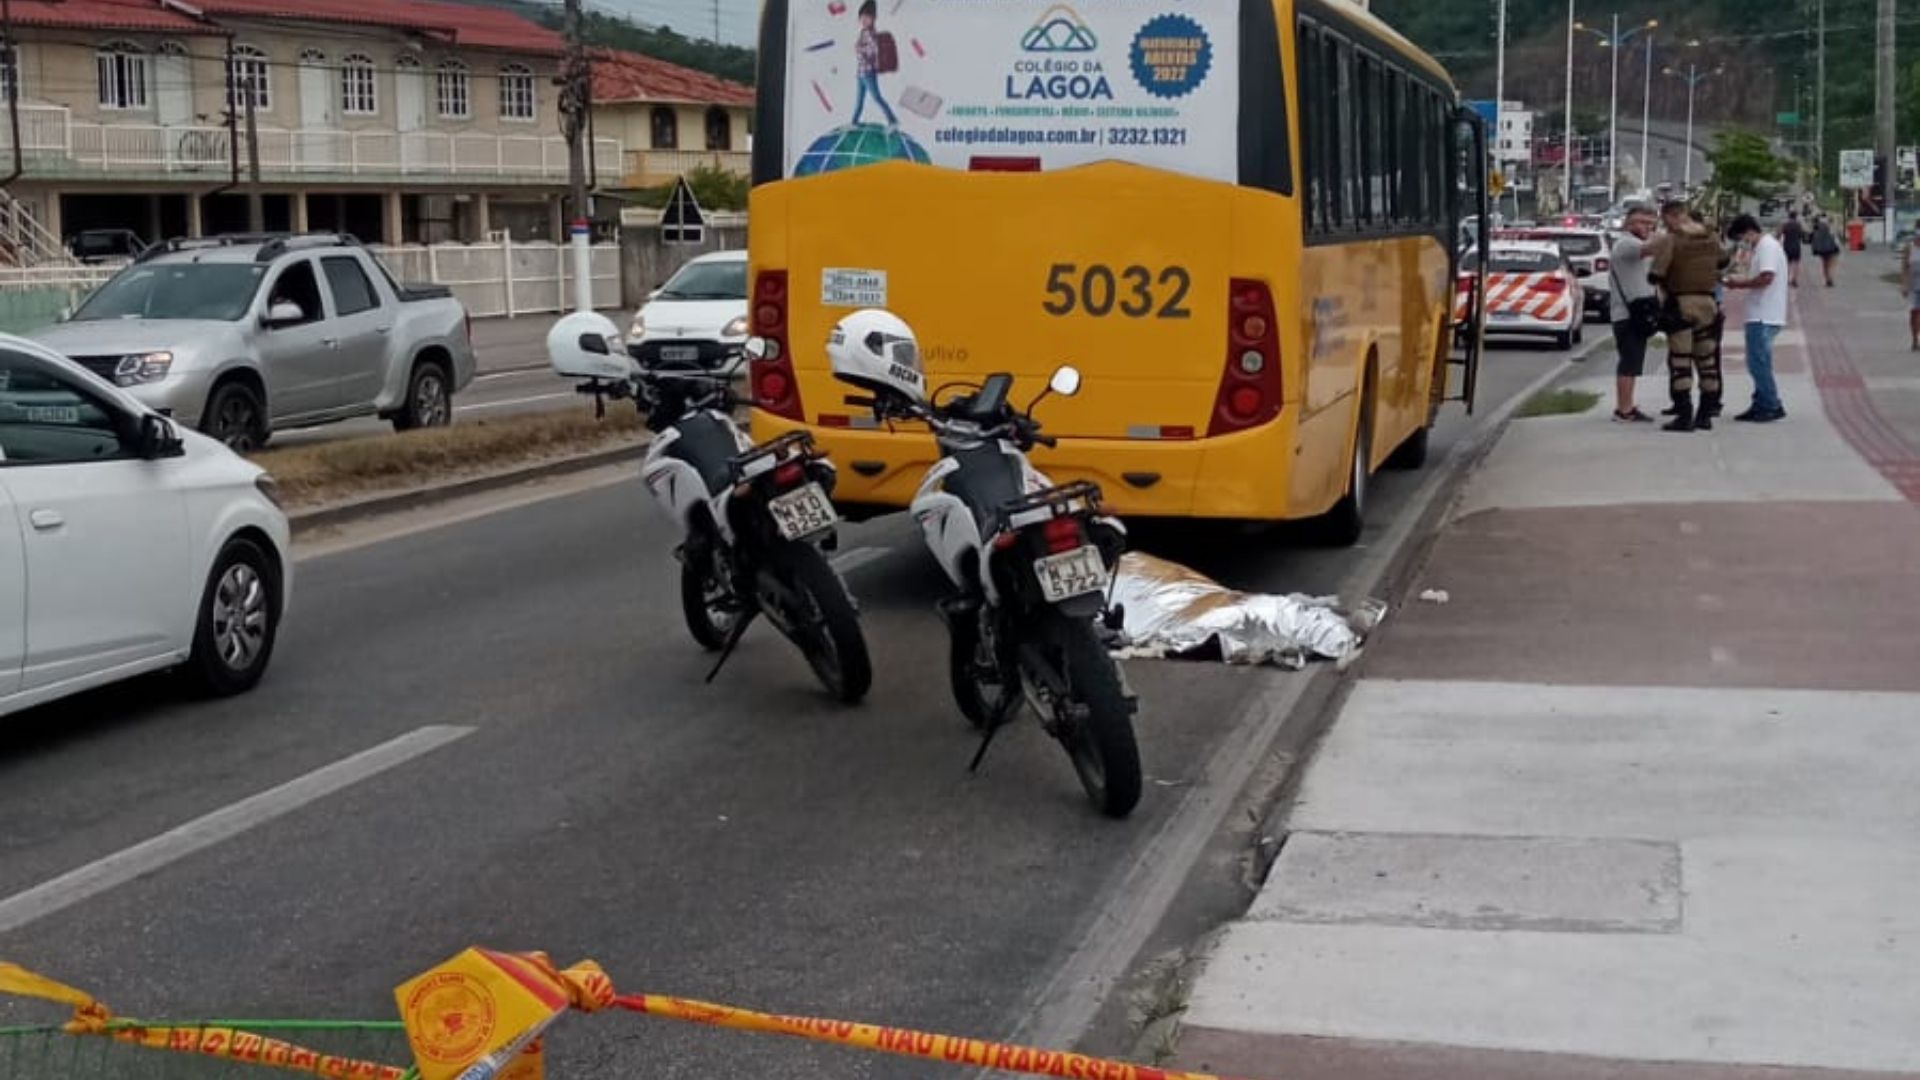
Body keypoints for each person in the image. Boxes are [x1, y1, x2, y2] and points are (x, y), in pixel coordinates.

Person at [1649, 200, 1728, 432]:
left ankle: (1684, 415)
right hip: (1708, 304)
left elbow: (1656, 274)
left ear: (1672, 217)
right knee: (1707, 361)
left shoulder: (1672, 239)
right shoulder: (1712, 237)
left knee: (1681, 362)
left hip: (1681, 304)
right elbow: (1724, 261)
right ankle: (1705, 414)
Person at [1722, 214, 1789, 423]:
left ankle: (1770, 403)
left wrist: (1738, 285)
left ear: (1749, 232)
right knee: (1758, 362)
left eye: (1741, 238)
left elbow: (1766, 277)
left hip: (1764, 314)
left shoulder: (1767, 247)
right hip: (1760, 313)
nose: (1743, 243)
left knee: (1758, 363)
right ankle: (1760, 402)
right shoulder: (1763, 247)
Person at [1608, 203, 1660, 422]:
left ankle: (1627, 405)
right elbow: (1651, 249)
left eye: (1650, 223)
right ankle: (1624, 409)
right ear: (1629, 223)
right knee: (1629, 363)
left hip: (1637, 312)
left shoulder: (1636, 242)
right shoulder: (1626, 244)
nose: (1647, 227)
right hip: (1627, 314)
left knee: (1634, 361)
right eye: (1642, 222)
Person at [851, 0, 899, 128]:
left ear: (873, 19)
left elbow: (873, 51)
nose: (864, 20)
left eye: (867, 17)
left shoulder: (871, 33)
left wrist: (859, 49)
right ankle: (854, 123)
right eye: (862, 17)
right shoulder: (863, 32)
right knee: (859, 101)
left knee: (877, 98)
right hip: (861, 73)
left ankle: (893, 120)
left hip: (868, 72)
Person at [1810, 214, 1841, 286]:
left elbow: (1813, 236)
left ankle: (1826, 279)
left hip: (1821, 248)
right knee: (1832, 264)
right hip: (1832, 247)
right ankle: (1830, 278)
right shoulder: (1830, 225)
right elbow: (1835, 236)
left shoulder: (1817, 226)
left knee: (1824, 264)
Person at [1902, 228, 1920, 350]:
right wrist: (1905, 285)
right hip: (1914, 284)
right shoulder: (1909, 248)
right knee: (1914, 313)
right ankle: (1915, 339)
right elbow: (1904, 267)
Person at [1780, 211, 1805, 287]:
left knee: (1787, 263)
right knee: (1796, 263)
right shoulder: (1799, 225)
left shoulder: (1785, 225)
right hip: (1796, 246)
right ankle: (1794, 279)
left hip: (1787, 245)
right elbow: (1802, 234)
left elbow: (1780, 233)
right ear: (1796, 216)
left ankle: (1786, 279)